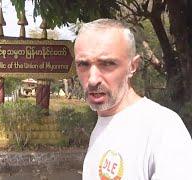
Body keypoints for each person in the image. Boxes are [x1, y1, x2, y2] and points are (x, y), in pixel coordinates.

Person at [74, 18, 192, 180]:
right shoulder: (103, 123)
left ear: (133, 66)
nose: (93, 79)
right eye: (83, 64)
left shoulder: (163, 128)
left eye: (107, 64)